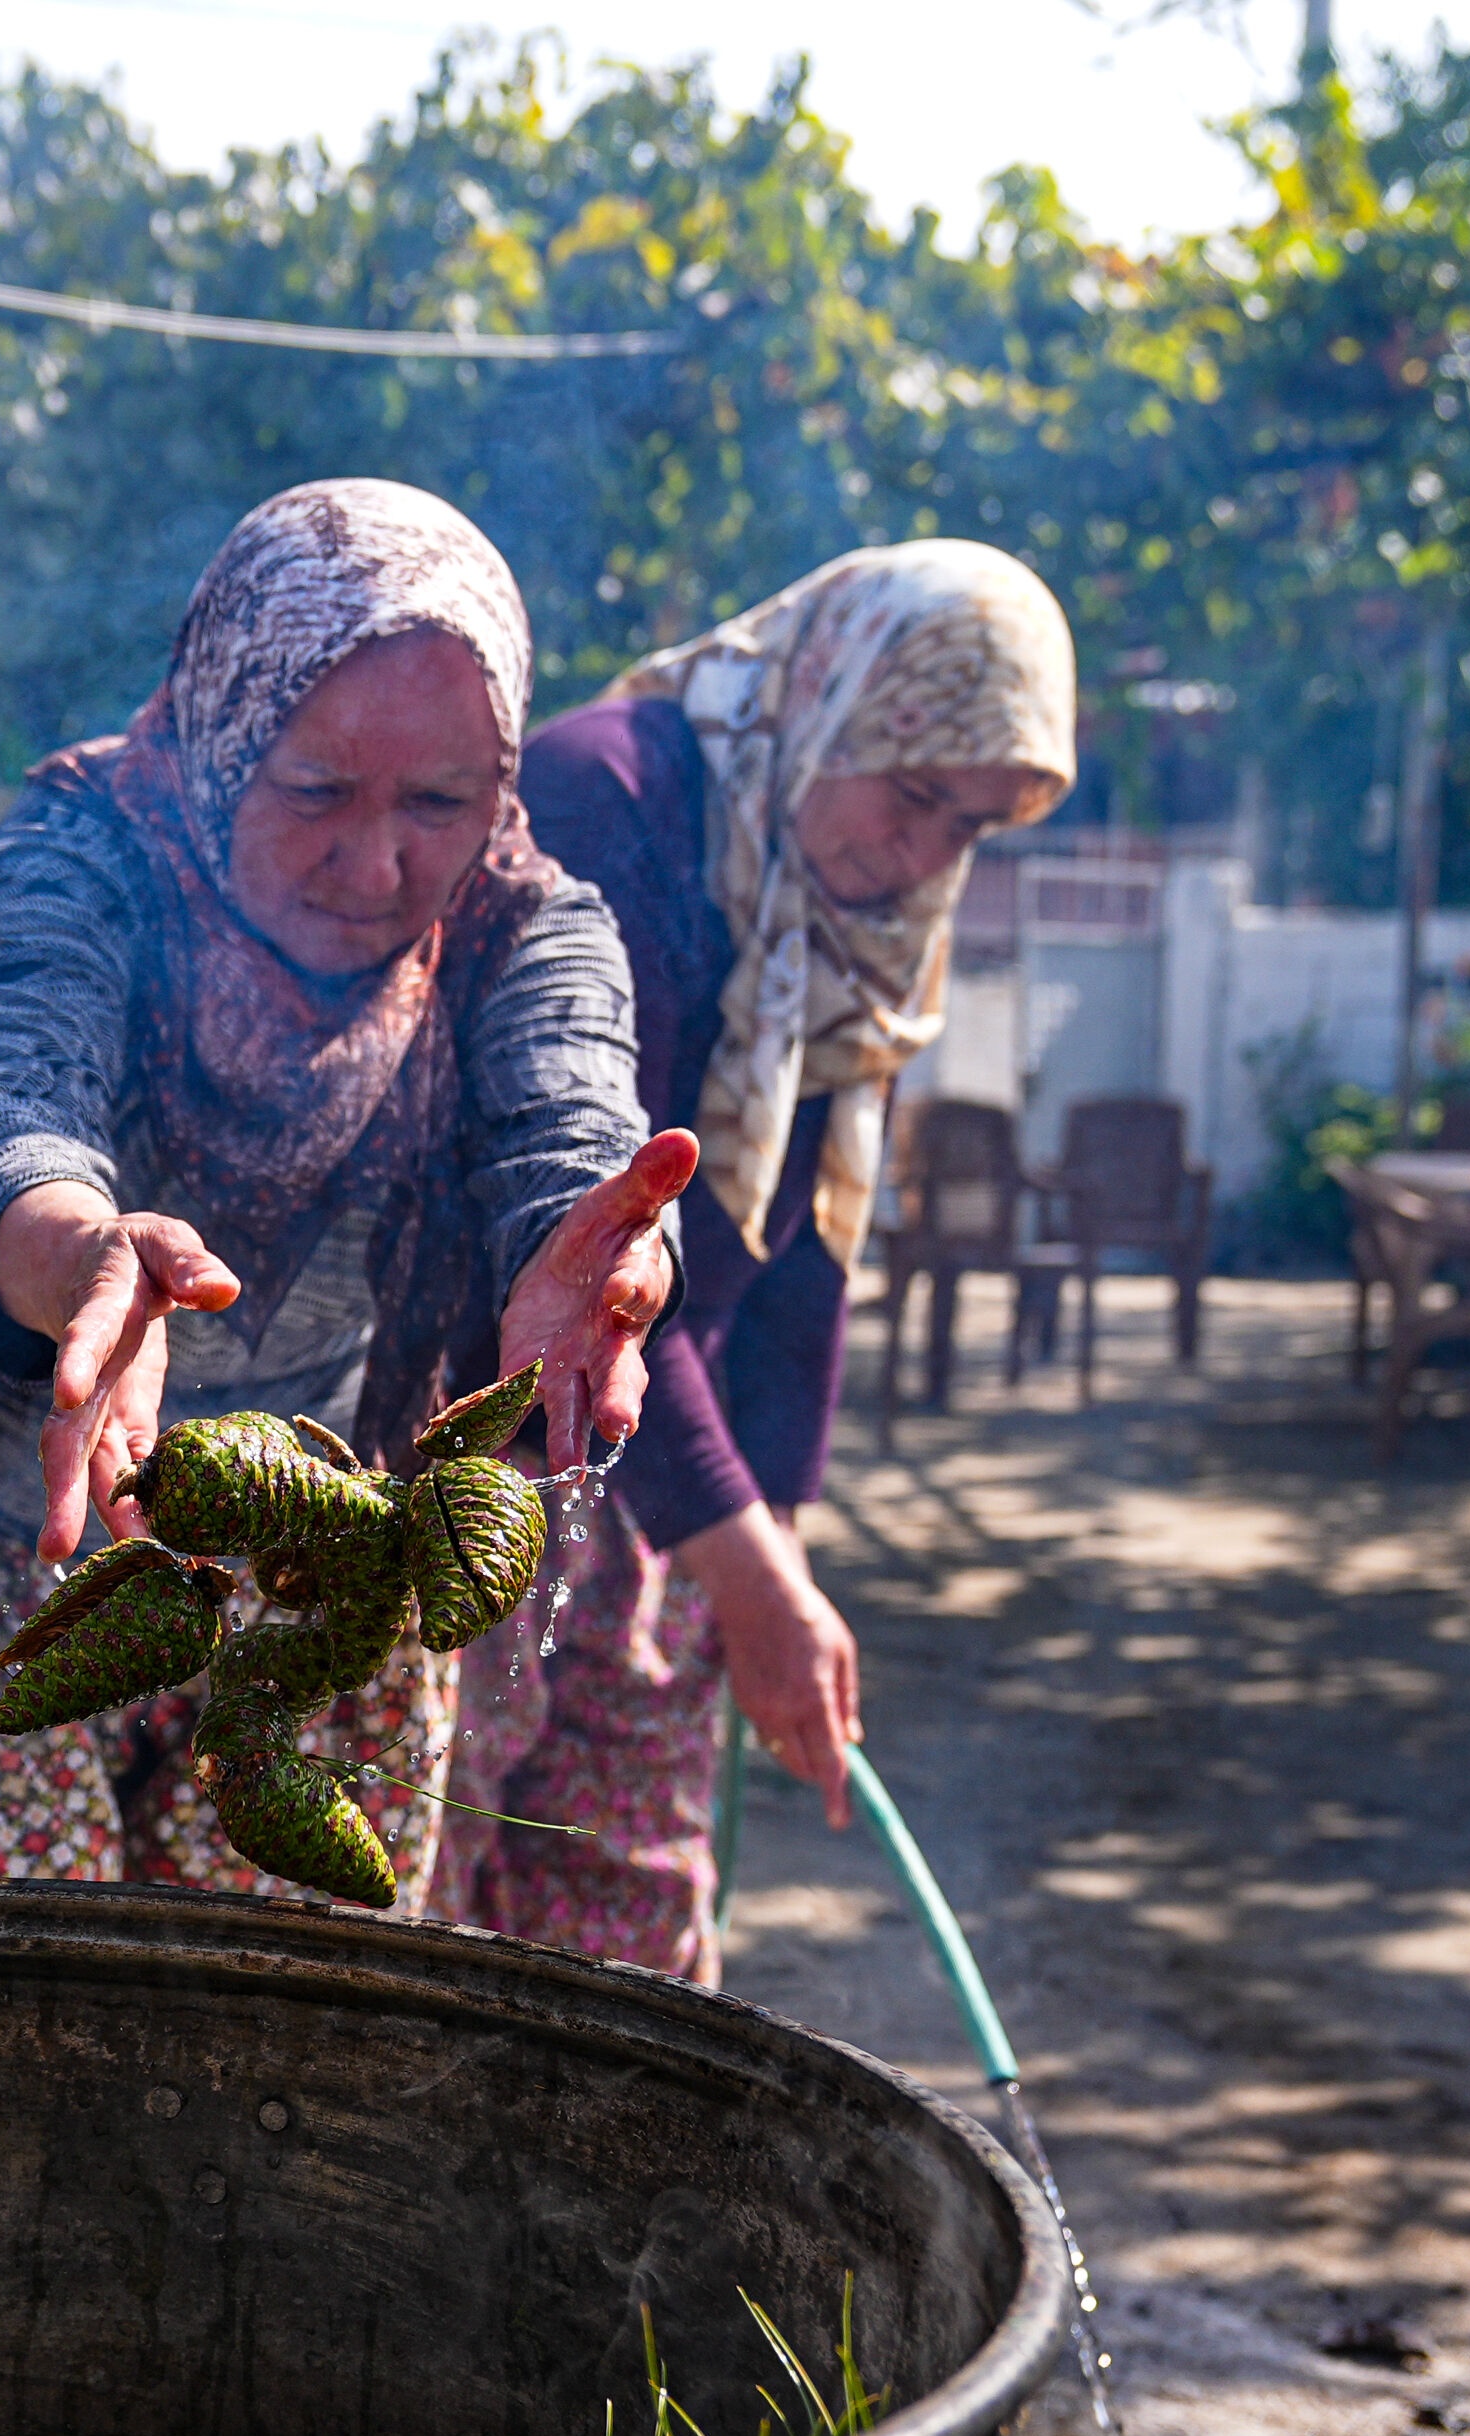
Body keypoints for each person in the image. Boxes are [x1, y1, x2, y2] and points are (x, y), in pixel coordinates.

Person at [0, 478, 697, 1899]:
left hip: (303, 1470)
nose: (376, 865)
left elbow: (569, 1124)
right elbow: (19, 1086)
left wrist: (595, 1250)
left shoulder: (525, 925)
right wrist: (84, 1255)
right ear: (223, 731)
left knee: (280, 1948)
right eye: (315, 788)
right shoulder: (85, 850)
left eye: (438, 802)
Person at [426, 540, 1077, 1980]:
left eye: (967, 828)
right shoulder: (616, 801)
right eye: (912, 793)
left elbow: (796, 1253)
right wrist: (736, 1552)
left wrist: (770, 1539)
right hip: (475, 1429)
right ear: (829, 700)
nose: (921, 856)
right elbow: (586, 1233)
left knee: (626, 1929)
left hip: (651, 1448)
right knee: (413, 1888)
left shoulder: (867, 918)